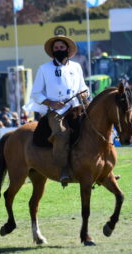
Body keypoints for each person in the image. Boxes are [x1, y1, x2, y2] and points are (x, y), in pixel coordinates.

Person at [25, 35, 89, 186]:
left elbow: (83, 87)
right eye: (56, 48)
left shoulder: (76, 67)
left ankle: (103, 167)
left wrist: (85, 92)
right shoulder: (44, 69)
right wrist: (51, 103)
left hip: (76, 107)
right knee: (61, 134)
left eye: (61, 47)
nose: (59, 50)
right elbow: (36, 93)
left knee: (94, 126)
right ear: (52, 51)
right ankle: (63, 170)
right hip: (56, 112)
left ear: (67, 49)